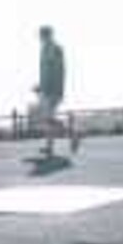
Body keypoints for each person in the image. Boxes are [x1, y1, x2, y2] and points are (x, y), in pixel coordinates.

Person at [33, 25, 76, 156]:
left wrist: (42, 87)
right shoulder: (53, 48)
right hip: (54, 88)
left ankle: (74, 135)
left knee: (48, 119)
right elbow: (55, 70)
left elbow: (51, 71)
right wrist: (41, 85)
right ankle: (50, 147)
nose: (40, 37)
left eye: (41, 35)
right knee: (49, 119)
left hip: (51, 90)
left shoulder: (50, 48)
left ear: (46, 35)